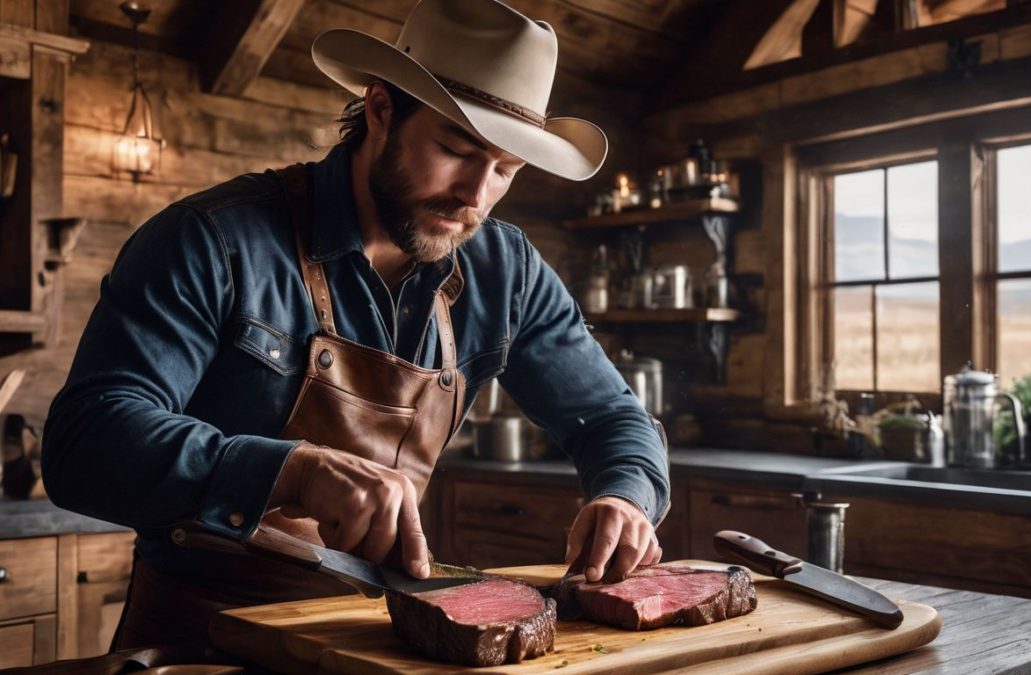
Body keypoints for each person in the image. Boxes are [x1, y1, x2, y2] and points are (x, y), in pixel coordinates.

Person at [42, 0, 669, 656]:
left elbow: (614, 420)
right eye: (457, 150)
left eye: (508, 170)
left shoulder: (506, 272)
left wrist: (625, 497)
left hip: (377, 645)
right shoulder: (213, 239)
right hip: (198, 640)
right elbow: (85, 440)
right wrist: (289, 469)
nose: (477, 196)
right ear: (379, 109)